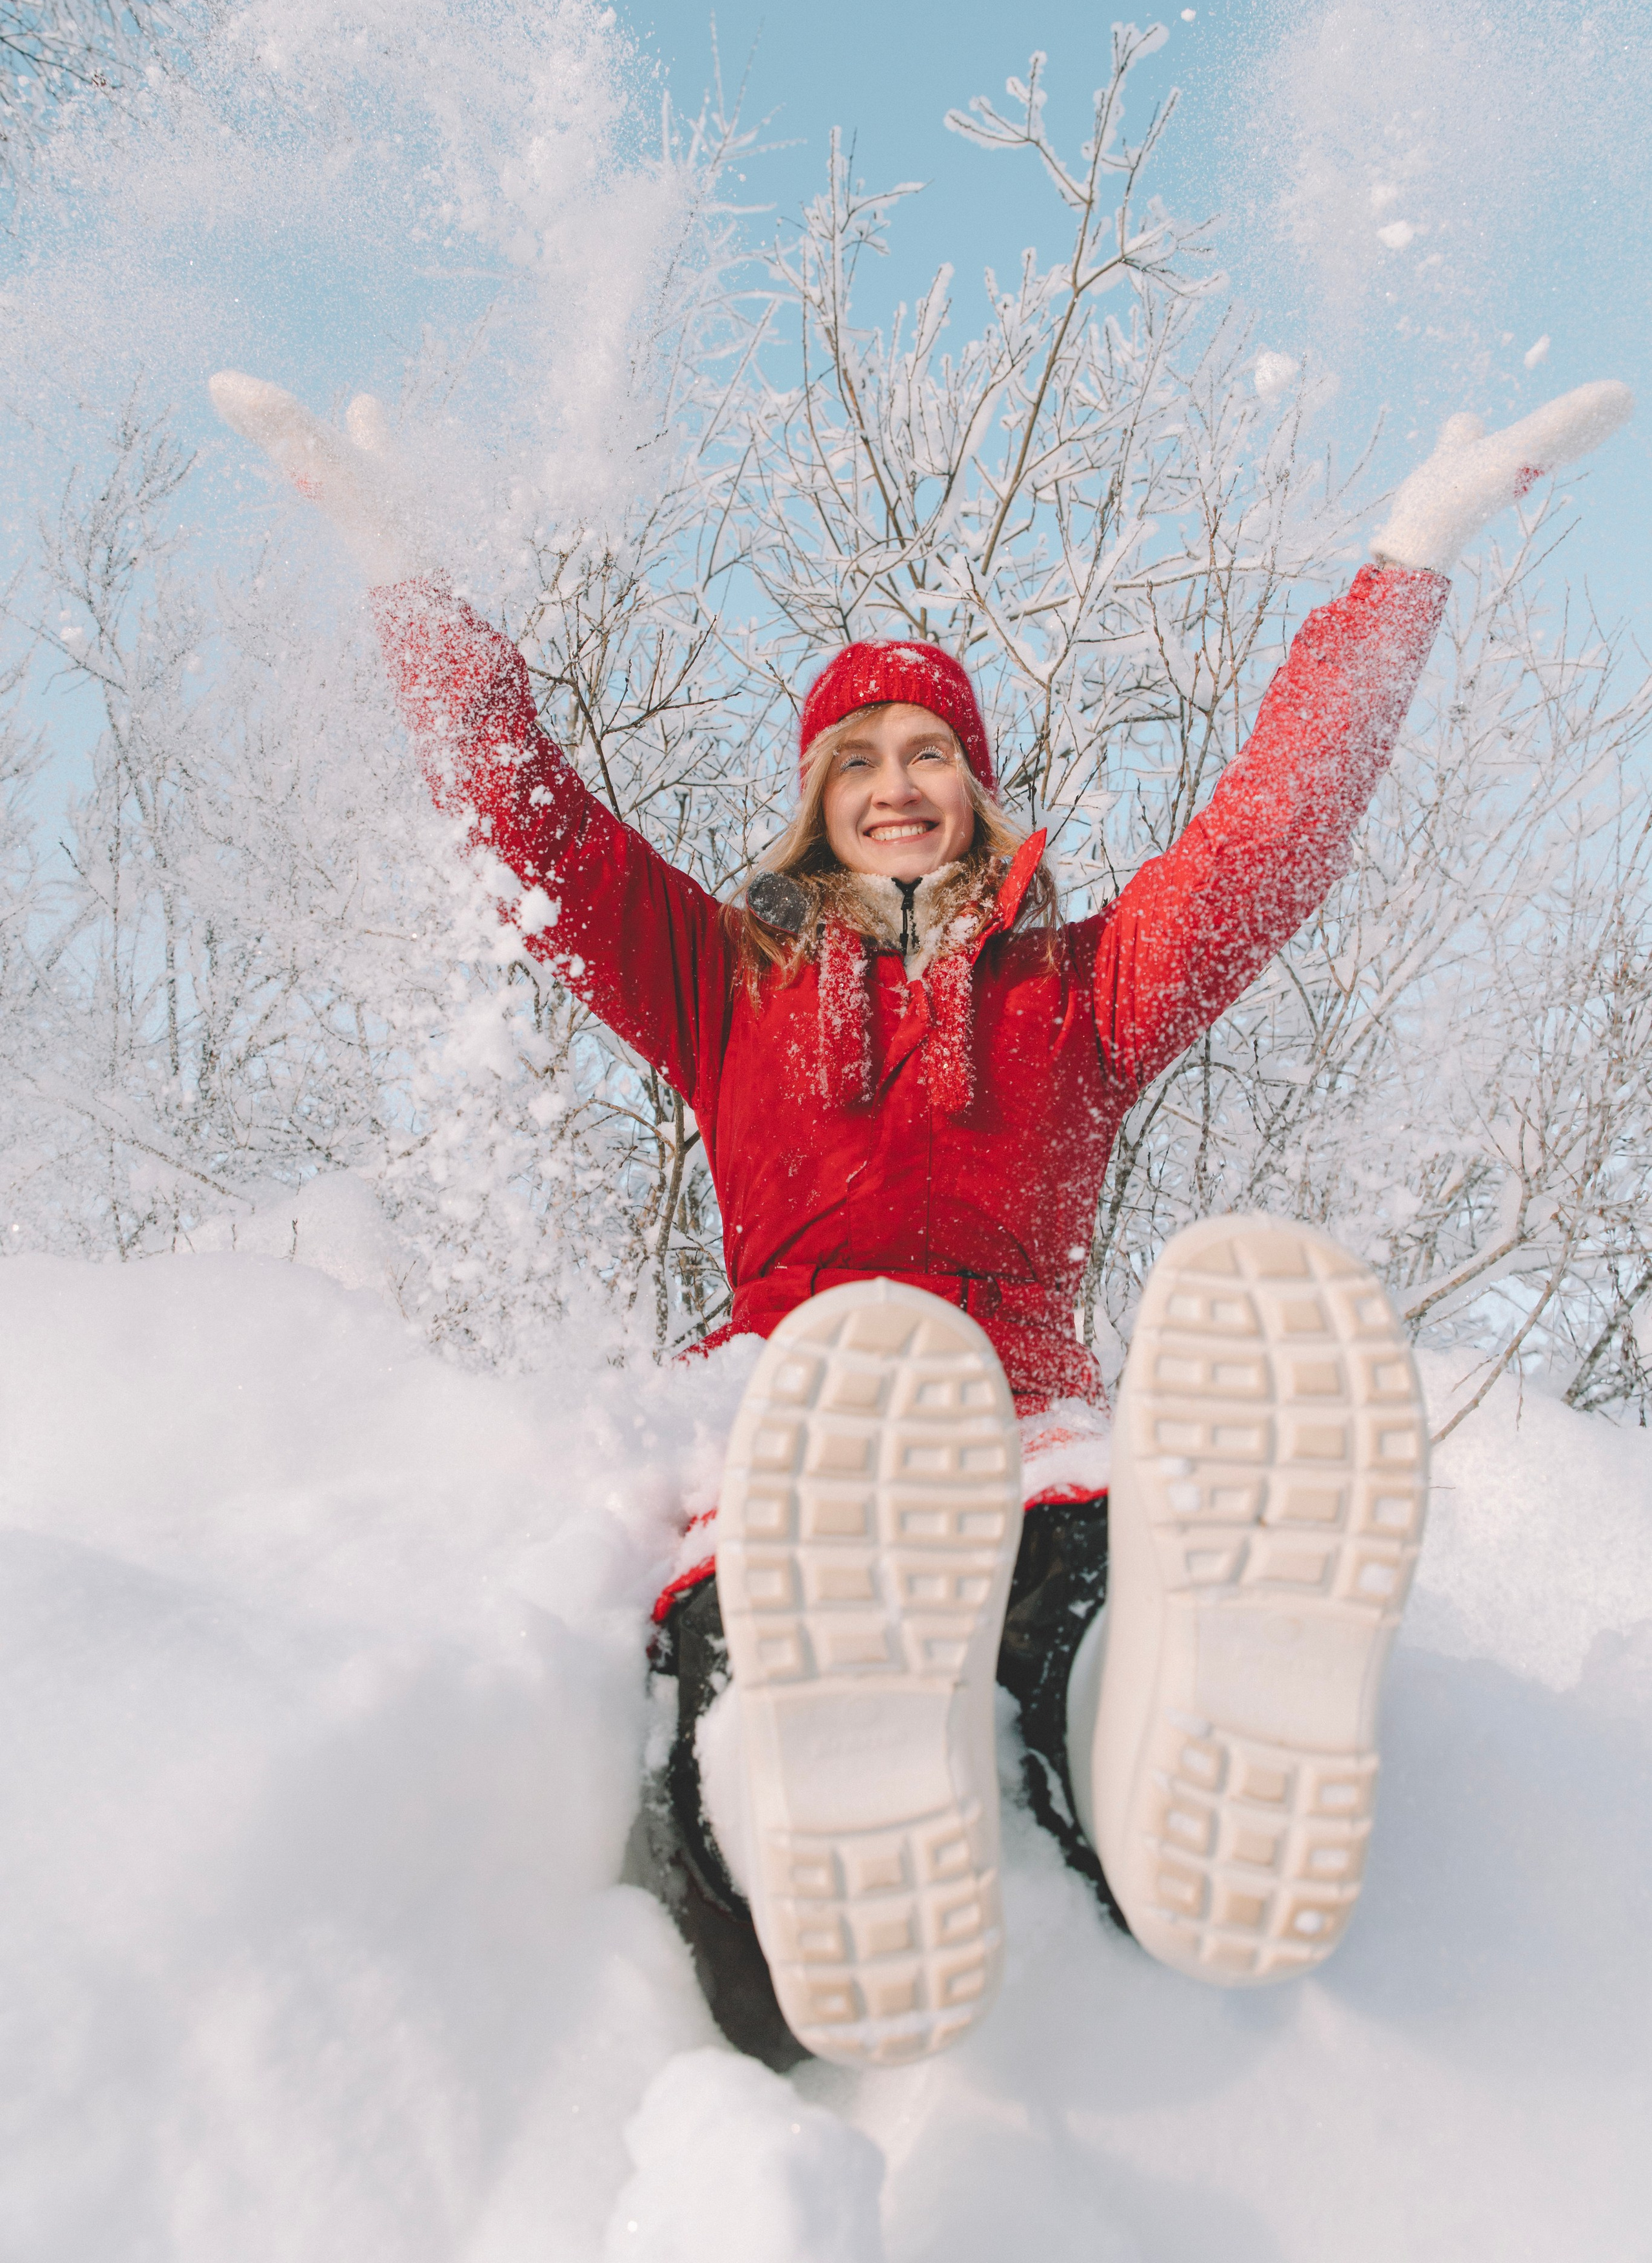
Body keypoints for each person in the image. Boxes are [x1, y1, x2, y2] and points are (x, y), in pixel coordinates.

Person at [212, 368, 1633, 2071]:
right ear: (816, 796)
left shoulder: (1077, 990)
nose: (901, 781)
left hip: (1028, 1428)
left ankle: (1164, 1748)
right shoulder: (723, 980)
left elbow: (1270, 844)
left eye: (934, 754)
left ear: (976, 790)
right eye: (863, 756)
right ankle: (796, 1854)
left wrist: (1403, 565)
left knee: (1087, 1600)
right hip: (792, 1429)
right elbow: (532, 826)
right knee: (756, 1614)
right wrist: (404, 579)